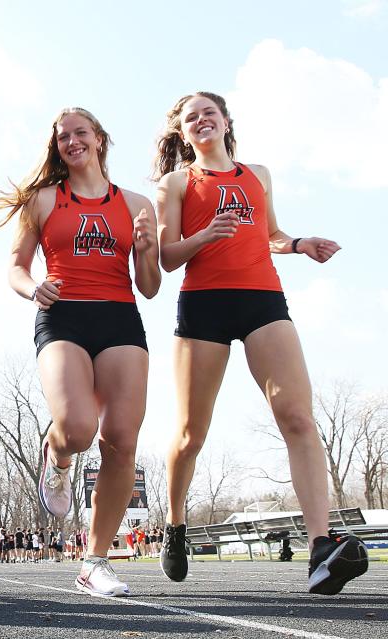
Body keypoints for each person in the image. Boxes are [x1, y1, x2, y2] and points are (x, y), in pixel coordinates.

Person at [153, 91, 368, 595]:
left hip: (264, 301)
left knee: (297, 415)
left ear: (226, 121)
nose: (202, 120)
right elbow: (166, 256)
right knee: (190, 433)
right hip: (204, 305)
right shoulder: (177, 183)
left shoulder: (259, 175)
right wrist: (205, 235)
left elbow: (268, 233)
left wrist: (297, 244)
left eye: (210, 112)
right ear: (183, 133)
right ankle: (176, 522)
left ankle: (320, 545)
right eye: (191, 118)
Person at [0, 107, 160, 596]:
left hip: (120, 318)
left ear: (100, 139)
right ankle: (58, 457)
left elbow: (149, 287)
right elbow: (16, 266)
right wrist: (33, 288)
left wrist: (147, 251)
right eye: (62, 137)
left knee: (122, 439)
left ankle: (95, 560)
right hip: (62, 315)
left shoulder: (135, 202)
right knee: (80, 429)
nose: (71, 142)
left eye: (80, 133)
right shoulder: (43, 200)